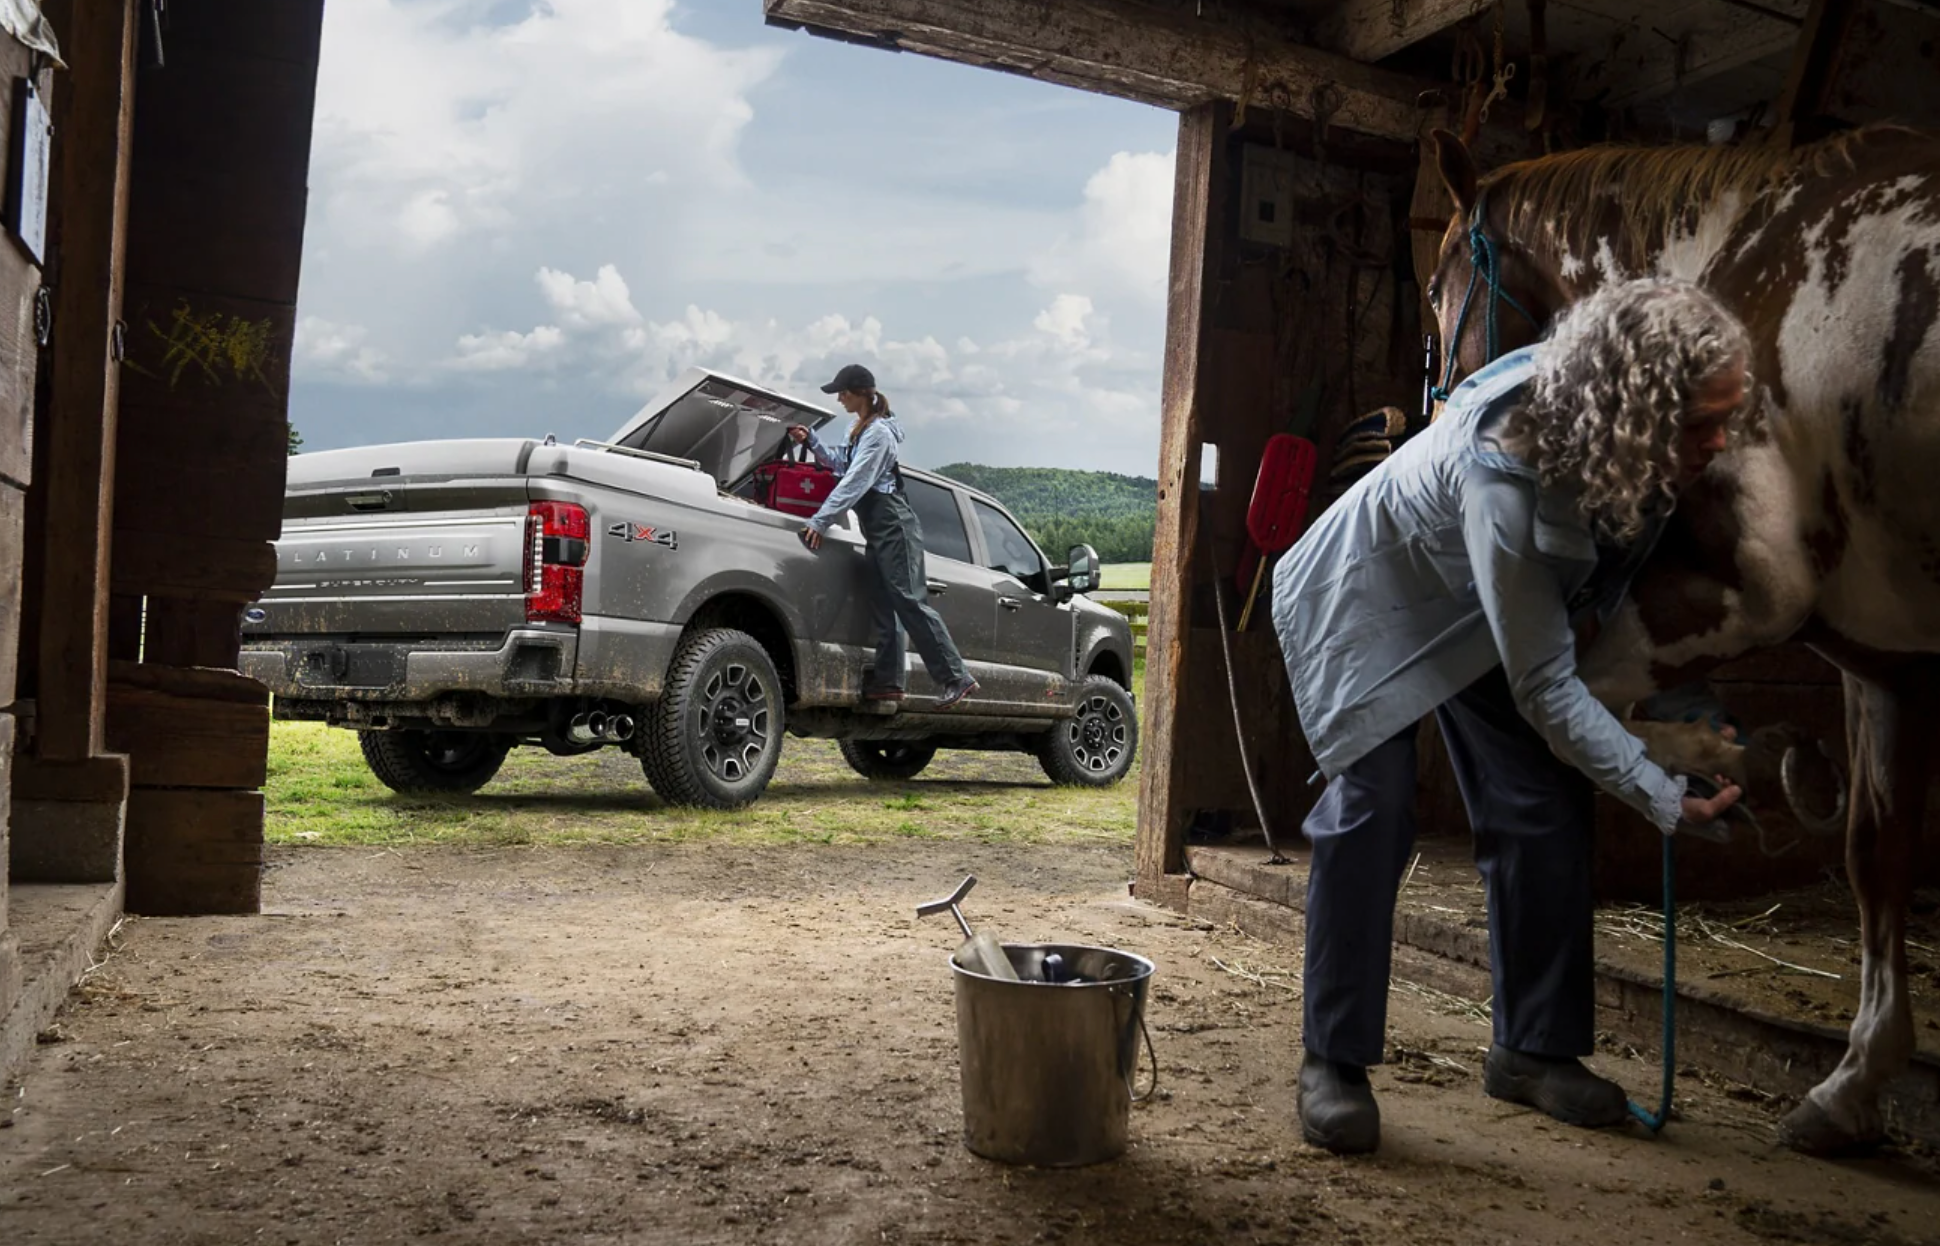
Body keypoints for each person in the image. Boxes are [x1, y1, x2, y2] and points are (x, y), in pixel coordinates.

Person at [1268, 278, 1750, 1156]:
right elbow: (1546, 688)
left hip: (1486, 605)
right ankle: (1330, 1061)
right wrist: (1656, 790)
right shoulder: (1511, 465)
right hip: (1372, 601)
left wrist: (1675, 708)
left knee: (1542, 803)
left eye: (1728, 415)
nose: (1720, 442)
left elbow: (1608, 593)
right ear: (1639, 410)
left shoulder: (1618, 426)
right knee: (1374, 808)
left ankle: (1532, 1052)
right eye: (1699, 423)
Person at [788, 363, 978, 710]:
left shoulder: (879, 435)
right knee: (883, 602)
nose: (840, 398)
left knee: (908, 600)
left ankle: (955, 676)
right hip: (877, 529)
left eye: (843, 392)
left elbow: (855, 482)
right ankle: (889, 683)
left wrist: (819, 521)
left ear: (861, 392)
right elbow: (841, 464)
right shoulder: (857, 428)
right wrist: (812, 441)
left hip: (895, 525)